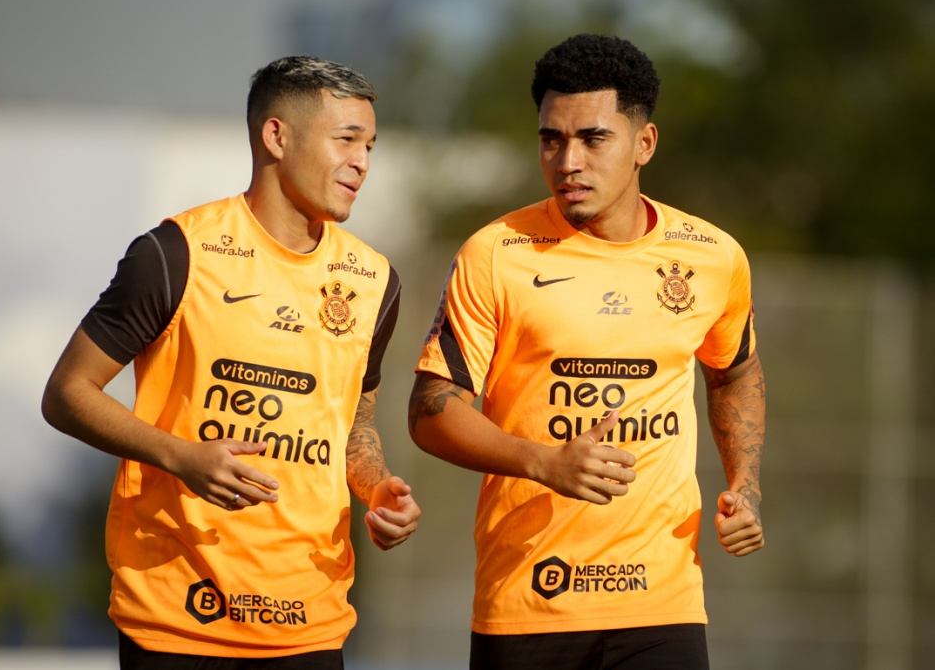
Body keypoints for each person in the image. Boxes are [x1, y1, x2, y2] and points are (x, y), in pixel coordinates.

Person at [42, 56, 420, 669]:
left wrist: (376, 488)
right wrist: (180, 455)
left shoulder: (375, 281)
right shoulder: (176, 254)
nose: (363, 163)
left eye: (371, 145)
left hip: (310, 623)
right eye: (346, 140)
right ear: (277, 136)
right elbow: (65, 394)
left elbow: (352, 423)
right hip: (176, 618)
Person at [408, 34, 764, 669]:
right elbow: (431, 410)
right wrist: (543, 462)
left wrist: (747, 485)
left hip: (664, 606)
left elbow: (734, 373)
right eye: (552, 139)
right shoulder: (494, 253)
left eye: (593, 138)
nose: (568, 159)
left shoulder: (712, 256)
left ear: (643, 145)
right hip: (526, 606)